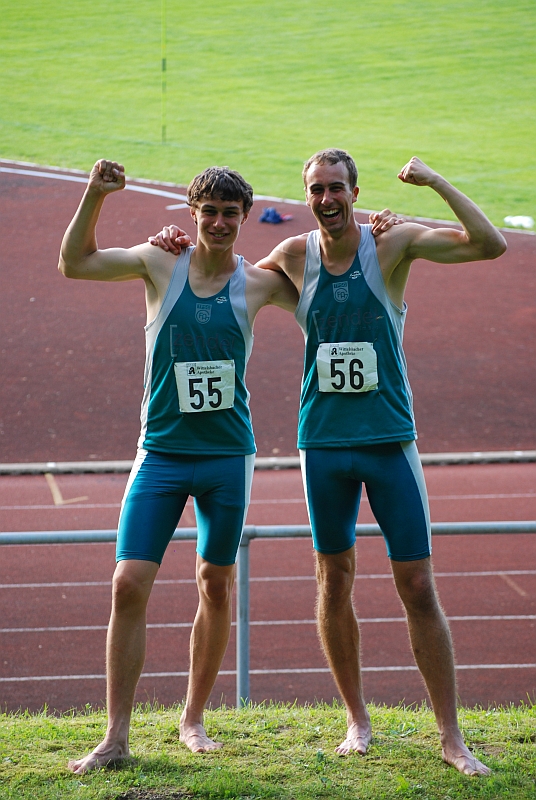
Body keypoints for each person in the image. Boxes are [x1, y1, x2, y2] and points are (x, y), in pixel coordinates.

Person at [151, 151, 507, 776]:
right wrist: (172, 244)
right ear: (307, 195)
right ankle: (356, 719)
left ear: (355, 191)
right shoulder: (290, 256)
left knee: (418, 585)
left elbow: (489, 244)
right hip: (322, 444)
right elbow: (219, 279)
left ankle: (451, 736)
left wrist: (432, 183)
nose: (326, 198)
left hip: (390, 440)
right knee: (332, 580)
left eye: (336, 188)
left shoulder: (390, 244)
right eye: (316, 189)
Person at [58, 158, 300, 772]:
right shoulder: (158, 262)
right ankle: (116, 736)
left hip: (226, 458)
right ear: (192, 216)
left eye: (230, 213)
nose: (219, 222)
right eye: (209, 211)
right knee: (128, 582)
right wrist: (95, 193)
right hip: (161, 454)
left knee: (214, 584)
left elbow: (336, 296)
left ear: (246, 218)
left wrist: (369, 236)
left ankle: (193, 719)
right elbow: (74, 263)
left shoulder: (261, 283)